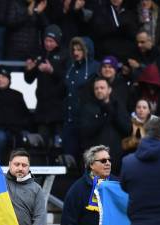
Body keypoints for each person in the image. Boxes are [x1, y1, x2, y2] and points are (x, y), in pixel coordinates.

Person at [24, 25, 67, 149]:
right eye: (46, 40)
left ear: (58, 41)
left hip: (59, 109)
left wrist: (52, 70)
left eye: (51, 41)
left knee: (58, 144)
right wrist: (29, 70)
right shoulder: (40, 55)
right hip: (42, 108)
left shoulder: (65, 55)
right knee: (42, 143)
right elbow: (29, 80)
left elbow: (67, 79)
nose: (48, 44)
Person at [79, 77, 131, 174]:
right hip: (96, 160)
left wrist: (114, 115)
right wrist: (102, 118)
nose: (99, 90)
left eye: (102, 88)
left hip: (116, 159)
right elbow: (85, 132)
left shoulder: (118, 106)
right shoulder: (88, 108)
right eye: (96, 88)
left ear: (109, 90)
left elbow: (128, 130)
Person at [61, 37, 99, 166]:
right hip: (69, 119)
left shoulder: (95, 67)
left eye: (80, 49)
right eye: (74, 49)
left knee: (86, 160)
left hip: (85, 121)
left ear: (87, 50)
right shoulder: (70, 66)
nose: (76, 52)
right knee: (68, 160)